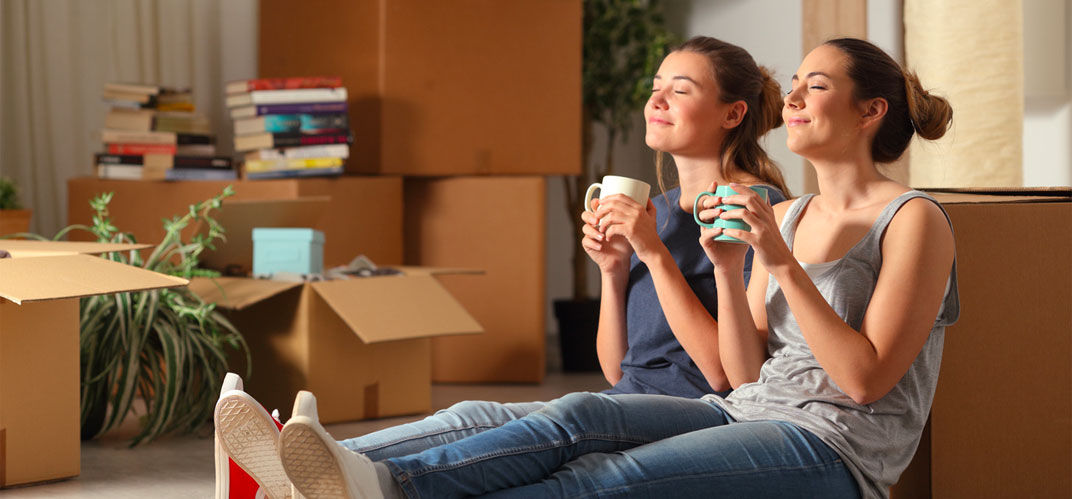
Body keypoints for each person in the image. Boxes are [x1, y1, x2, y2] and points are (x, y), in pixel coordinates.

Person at [266, 37, 960, 499]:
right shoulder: (786, 216)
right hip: (741, 411)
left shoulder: (914, 220)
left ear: (871, 111)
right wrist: (725, 265)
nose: (798, 99)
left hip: (835, 449)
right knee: (575, 414)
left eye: (817, 86)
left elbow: (867, 380)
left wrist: (777, 264)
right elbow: (745, 376)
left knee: (605, 478)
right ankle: (380, 480)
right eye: (798, 85)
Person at [215, 35, 788, 497]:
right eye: (656, 86)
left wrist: (652, 254)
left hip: (695, 416)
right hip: (625, 401)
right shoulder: (655, 210)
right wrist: (613, 273)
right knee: (477, 412)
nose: (656, 101)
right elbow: (620, 370)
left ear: (732, 113)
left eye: (680, 90)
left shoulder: (753, 209)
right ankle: (304, 463)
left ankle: (357, 480)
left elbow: (726, 377)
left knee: (563, 415)